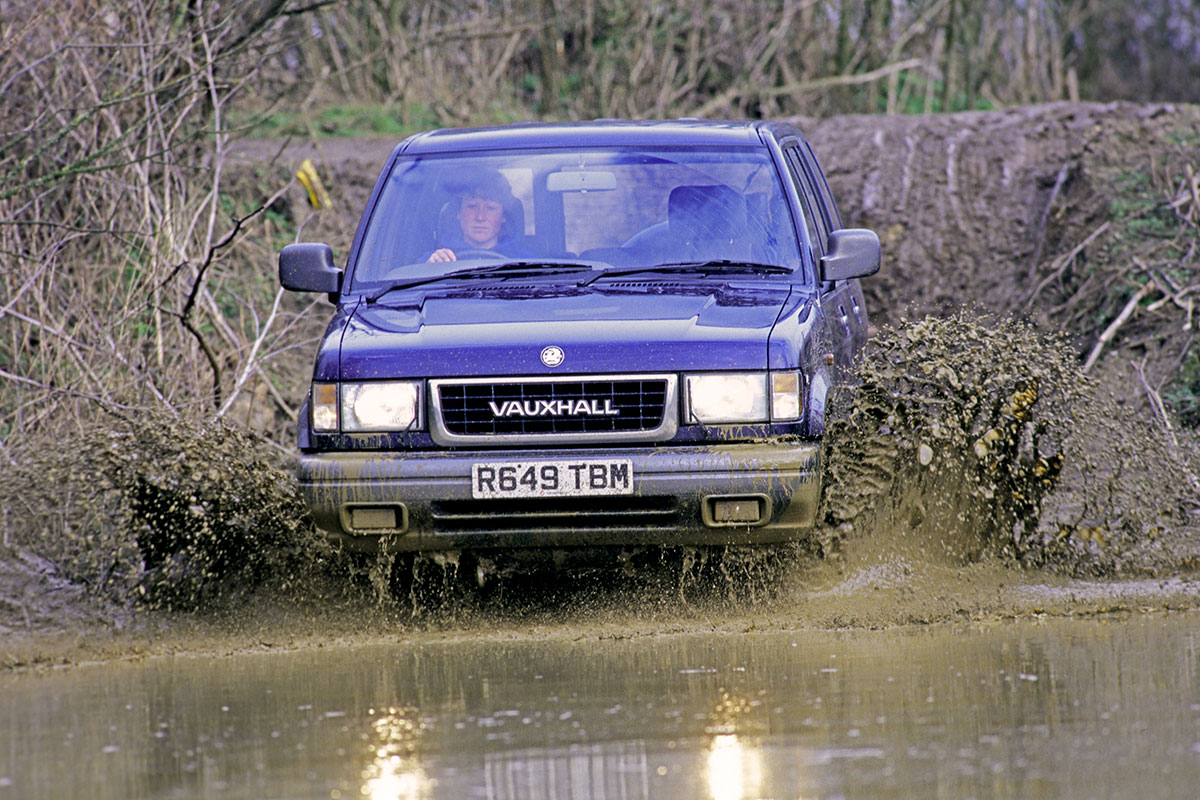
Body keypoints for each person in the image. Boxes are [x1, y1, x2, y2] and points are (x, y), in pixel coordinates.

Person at [428, 171, 523, 263]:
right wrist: (431, 267)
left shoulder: (525, 263)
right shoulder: (437, 260)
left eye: (490, 208)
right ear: (459, 213)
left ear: (503, 216)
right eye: (472, 206)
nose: (480, 217)